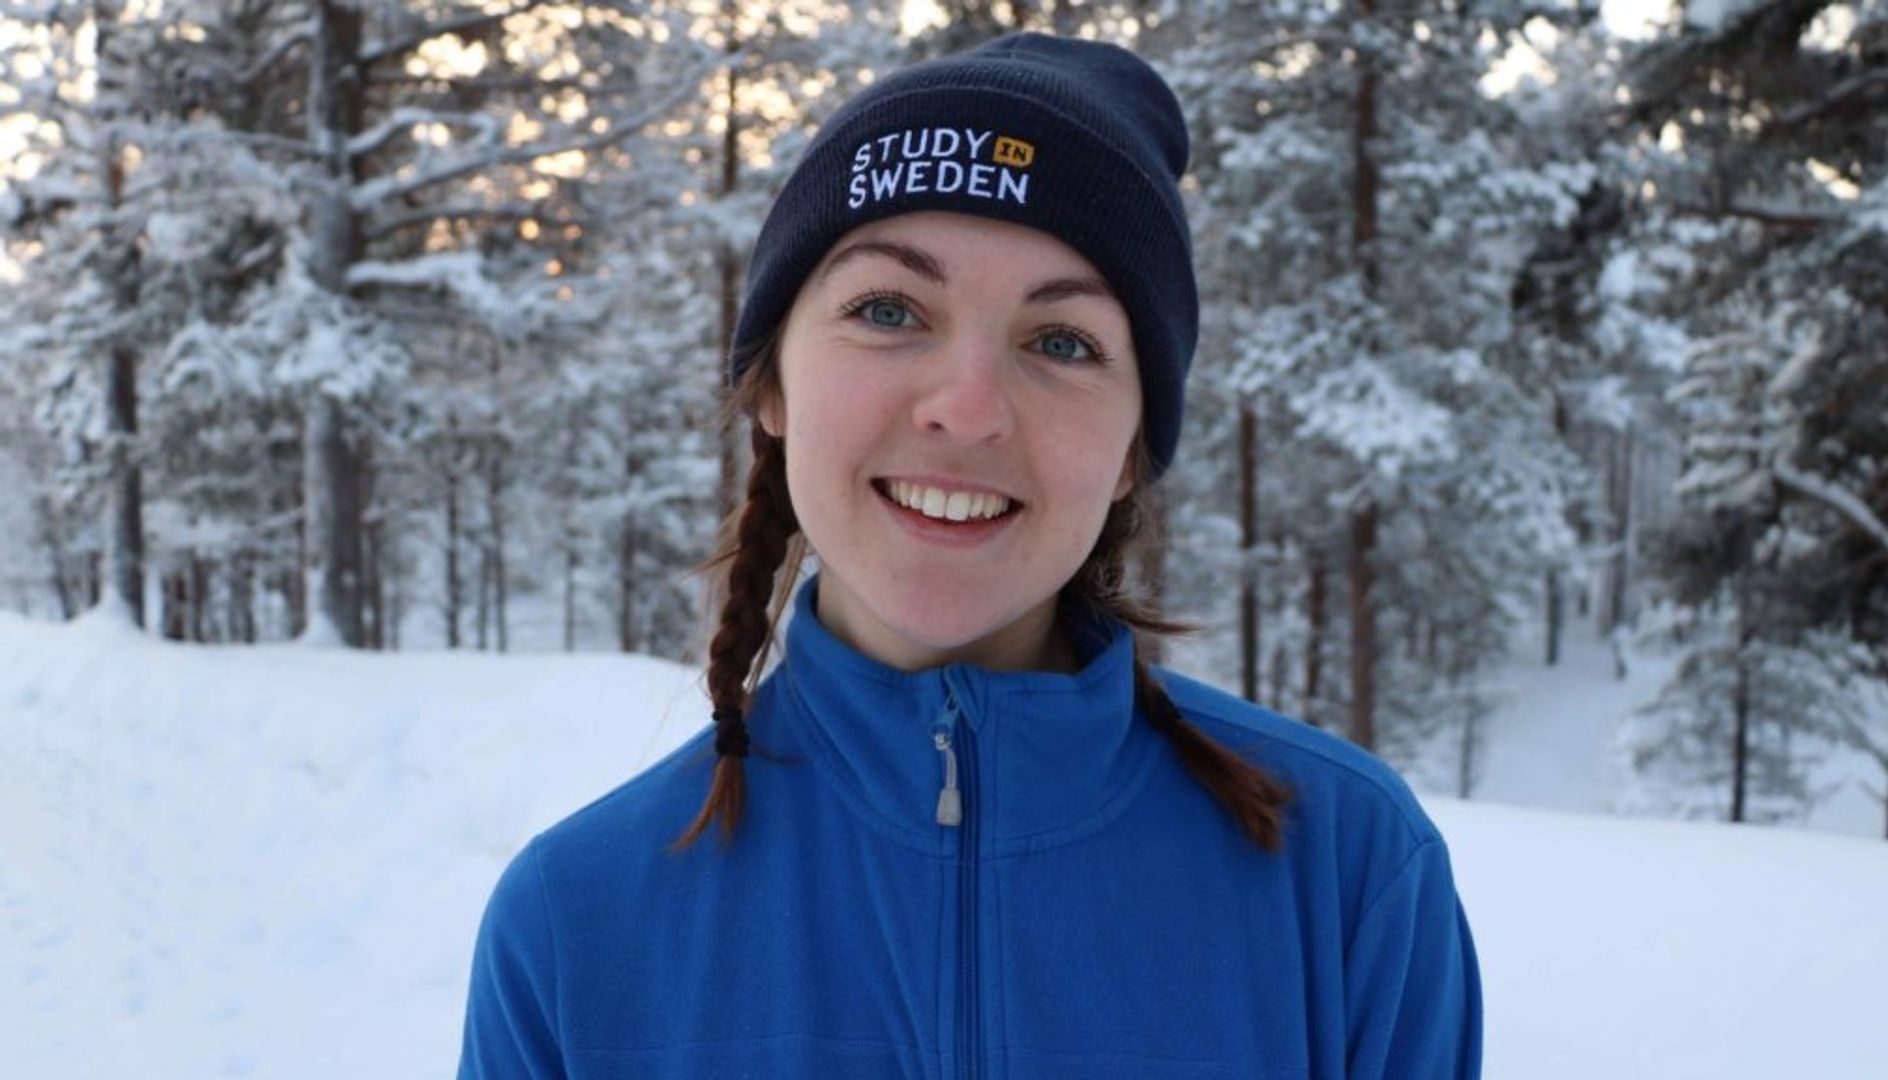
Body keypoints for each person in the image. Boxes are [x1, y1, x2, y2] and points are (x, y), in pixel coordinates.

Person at [458, 31, 1482, 1080]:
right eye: (890, 311)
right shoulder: (576, 924)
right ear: (772, 384)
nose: (968, 410)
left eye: (1063, 342)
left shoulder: (1348, 875)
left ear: (1134, 446)